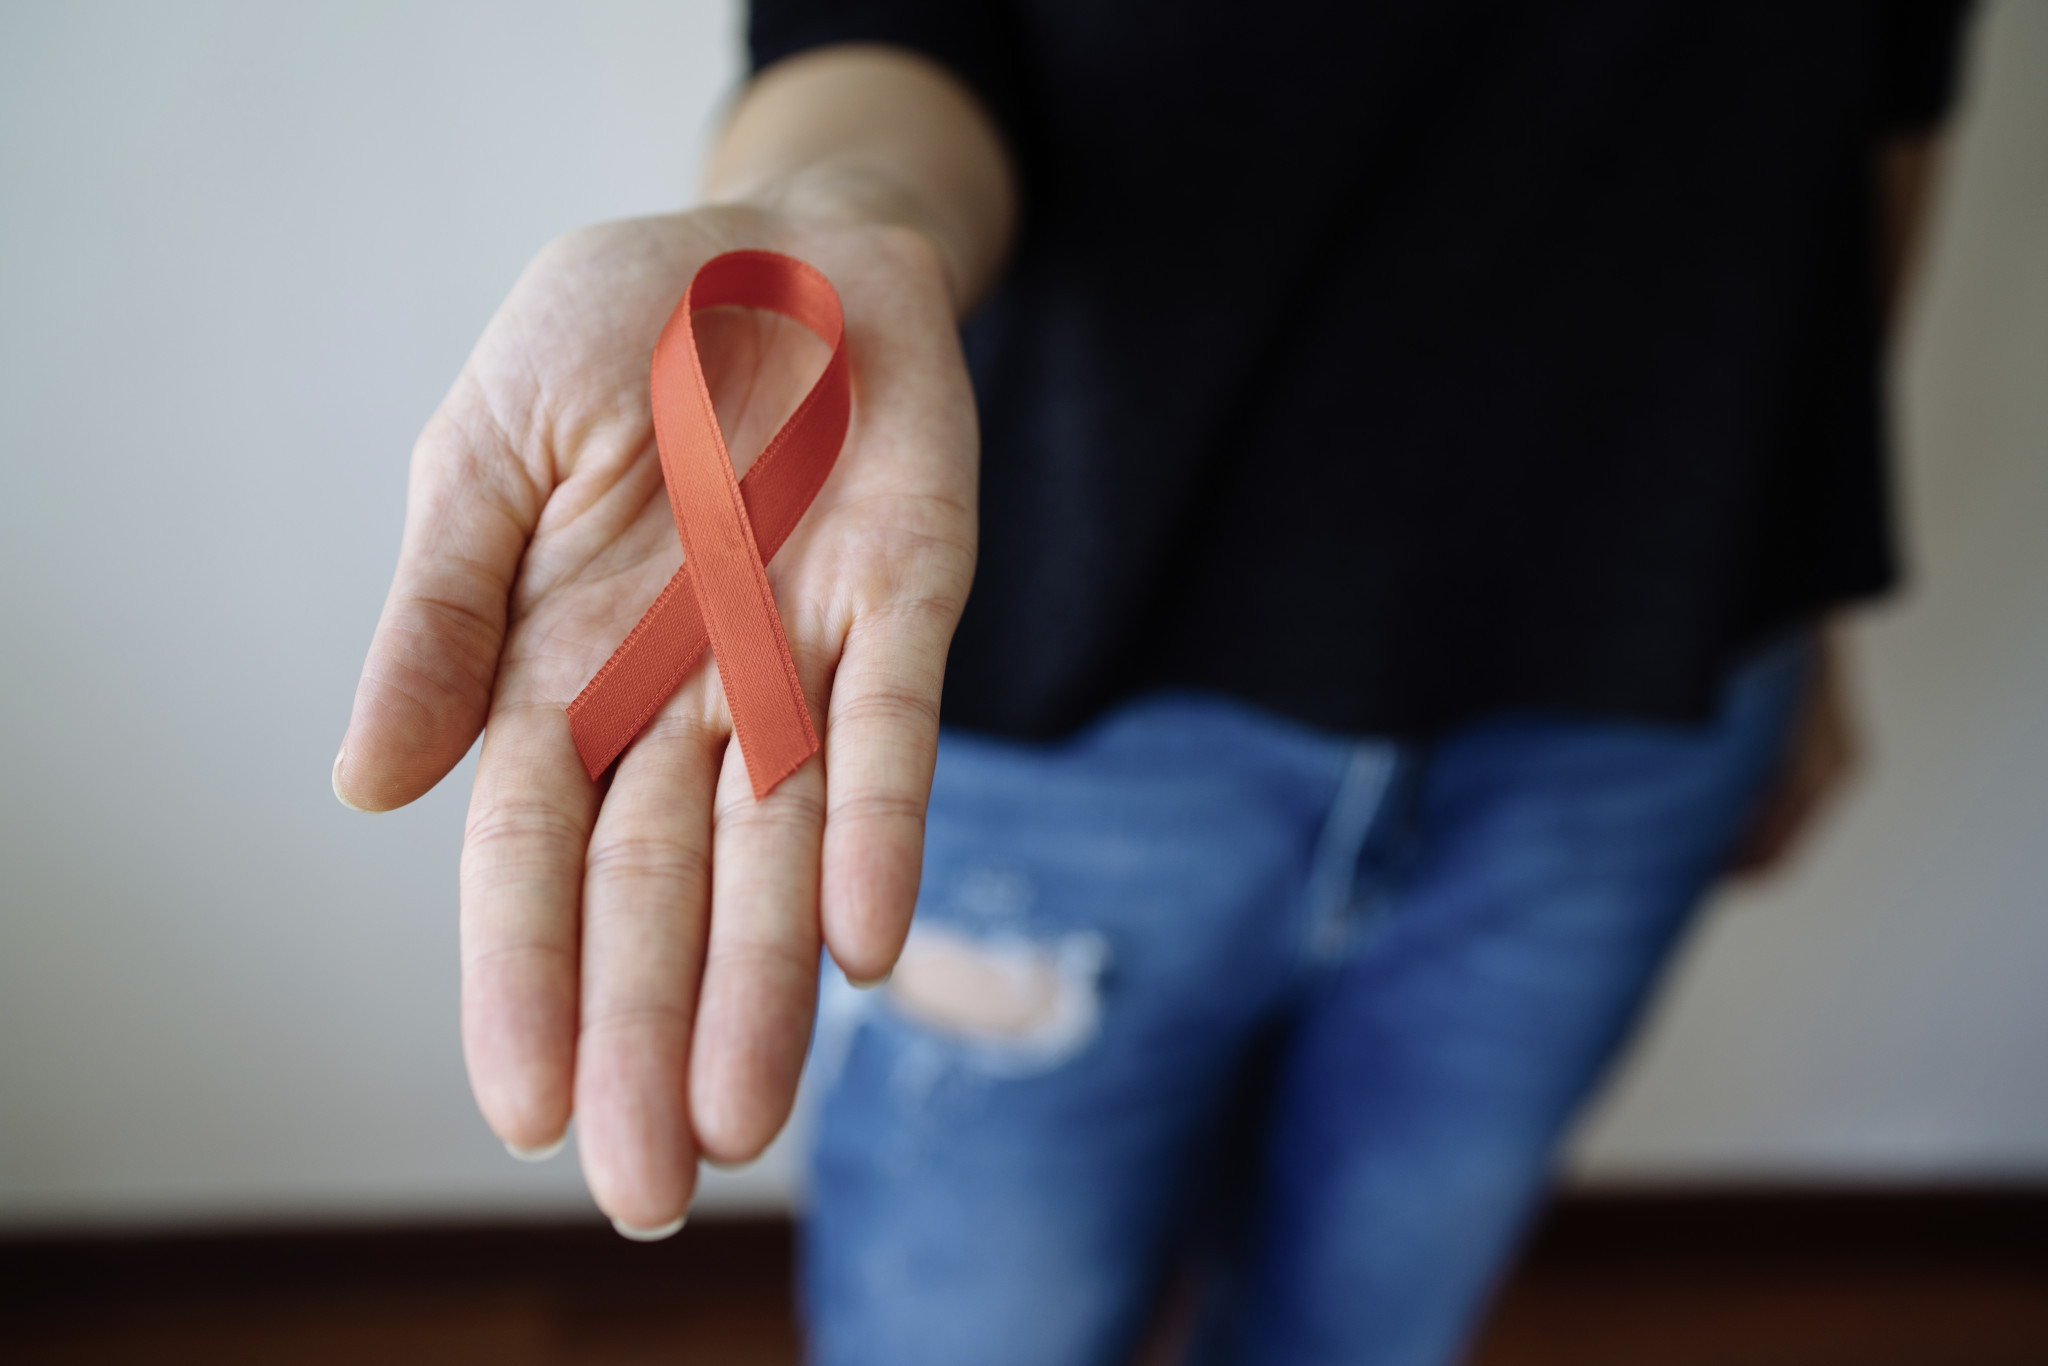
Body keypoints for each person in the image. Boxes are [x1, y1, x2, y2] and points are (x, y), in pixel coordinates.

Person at [334, 3, 1971, 1362]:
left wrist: (1806, 576)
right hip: (1065, 723)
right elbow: (890, 31)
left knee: (1371, 1327)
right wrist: (834, 215)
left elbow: (1887, 96)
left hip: (1633, 710)